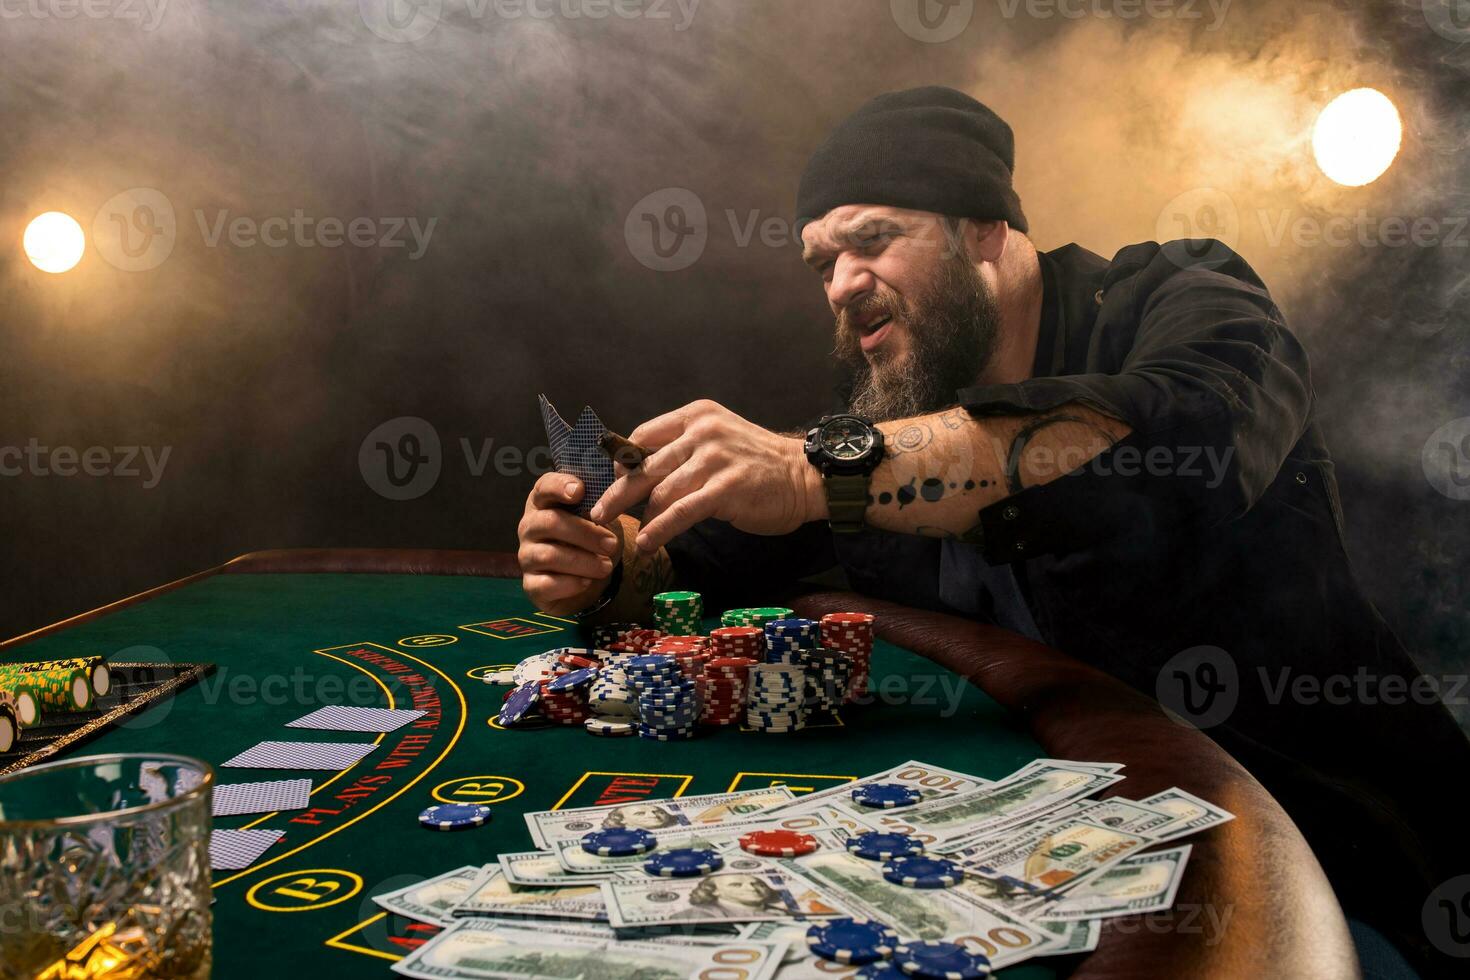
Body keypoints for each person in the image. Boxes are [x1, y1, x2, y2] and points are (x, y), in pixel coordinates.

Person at [518, 86, 1467, 976]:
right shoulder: (890, 408)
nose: (843, 285)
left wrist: (812, 468)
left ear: (986, 228)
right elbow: (720, 562)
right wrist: (609, 568)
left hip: (1343, 885)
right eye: (822, 261)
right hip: (1082, 882)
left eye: (874, 240)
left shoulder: (1181, 293)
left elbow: (1187, 439)